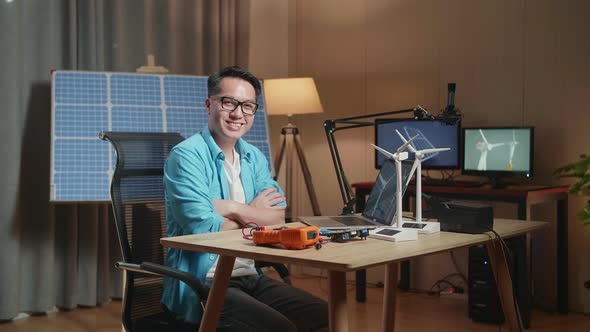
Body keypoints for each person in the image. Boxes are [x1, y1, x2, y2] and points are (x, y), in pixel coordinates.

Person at [161, 66, 328, 332]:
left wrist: (231, 208)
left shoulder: (254, 157)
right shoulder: (186, 156)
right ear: (209, 104)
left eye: (248, 106)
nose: (238, 114)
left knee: (324, 316)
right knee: (279, 328)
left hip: (250, 276)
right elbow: (203, 229)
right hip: (203, 282)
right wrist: (253, 216)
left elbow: (276, 218)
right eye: (229, 102)